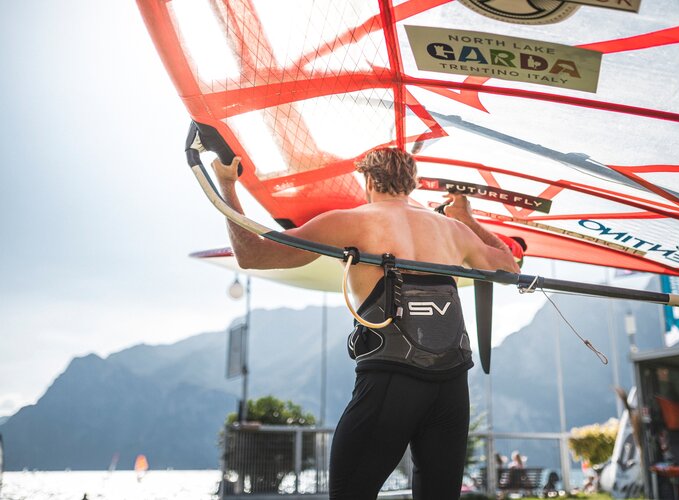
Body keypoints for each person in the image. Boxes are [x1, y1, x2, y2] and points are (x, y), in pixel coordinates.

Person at [212, 147, 519, 500]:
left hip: (391, 379)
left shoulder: (349, 221)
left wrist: (226, 184)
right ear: (413, 183)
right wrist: (467, 218)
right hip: (451, 388)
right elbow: (510, 266)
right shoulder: (453, 231)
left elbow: (252, 254)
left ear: (369, 180)